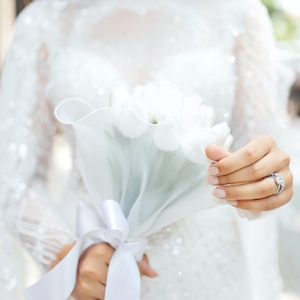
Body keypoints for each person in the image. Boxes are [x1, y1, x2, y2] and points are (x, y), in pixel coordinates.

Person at [0, 0, 294, 299]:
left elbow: (262, 151)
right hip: (92, 269)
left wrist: (266, 181)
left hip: (209, 268)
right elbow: (12, 181)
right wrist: (65, 255)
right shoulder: (46, 20)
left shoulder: (240, 12)